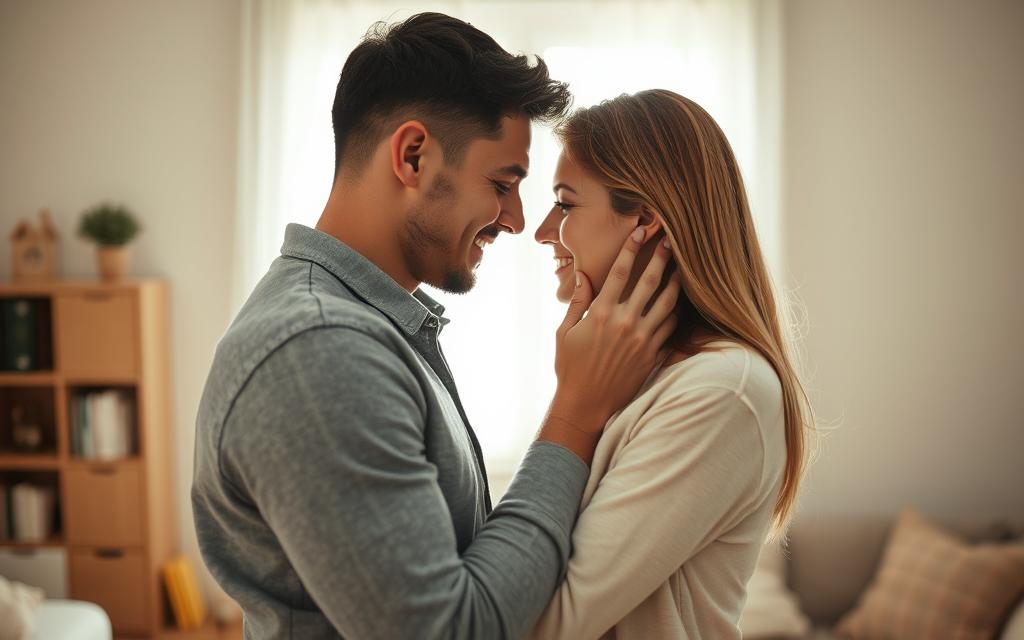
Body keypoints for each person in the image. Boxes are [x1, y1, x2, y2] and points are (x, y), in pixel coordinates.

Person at [191, 13, 680, 640]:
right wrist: (574, 416)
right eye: (503, 183)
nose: (517, 219)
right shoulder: (318, 350)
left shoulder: (368, 329)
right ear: (413, 155)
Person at [530, 89, 816, 640]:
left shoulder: (723, 389)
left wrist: (572, 404)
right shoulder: (637, 378)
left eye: (565, 204)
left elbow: (545, 622)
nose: (543, 230)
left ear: (646, 221)